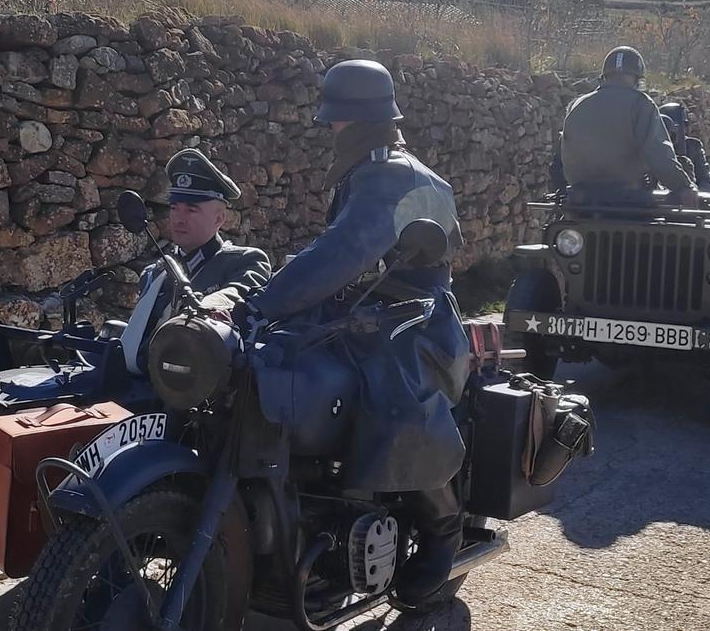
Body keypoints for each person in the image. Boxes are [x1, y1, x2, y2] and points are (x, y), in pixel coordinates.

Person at [232, 59, 471, 605]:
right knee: (277, 363)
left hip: (412, 318)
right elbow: (334, 257)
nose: (332, 129)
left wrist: (267, 301)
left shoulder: (401, 177)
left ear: (364, 120)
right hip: (361, 310)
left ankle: (443, 531)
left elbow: (344, 253)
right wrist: (261, 306)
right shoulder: (369, 171)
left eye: (338, 120)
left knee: (397, 400)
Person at [118, 149, 272, 373]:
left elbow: (238, 292)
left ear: (219, 218)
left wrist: (207, 305)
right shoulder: (155, 273)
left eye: (192, 209)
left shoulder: (244, 261)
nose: (179, 218)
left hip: (197, 394)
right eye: (174, 208)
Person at [560, 46, 697, 204]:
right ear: (637, 79)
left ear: (605, 76)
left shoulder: (577, 104)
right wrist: (684, 187)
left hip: (581, 203)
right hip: (627, 202)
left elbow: (564, 153)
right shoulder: (641, 104)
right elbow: (658, 154)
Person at [660, 102, 710, 189]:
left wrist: (697, 194)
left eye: (684, 125)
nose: (682, 129)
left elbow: (704, 180)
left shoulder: (693, 146)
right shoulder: (653, 146)